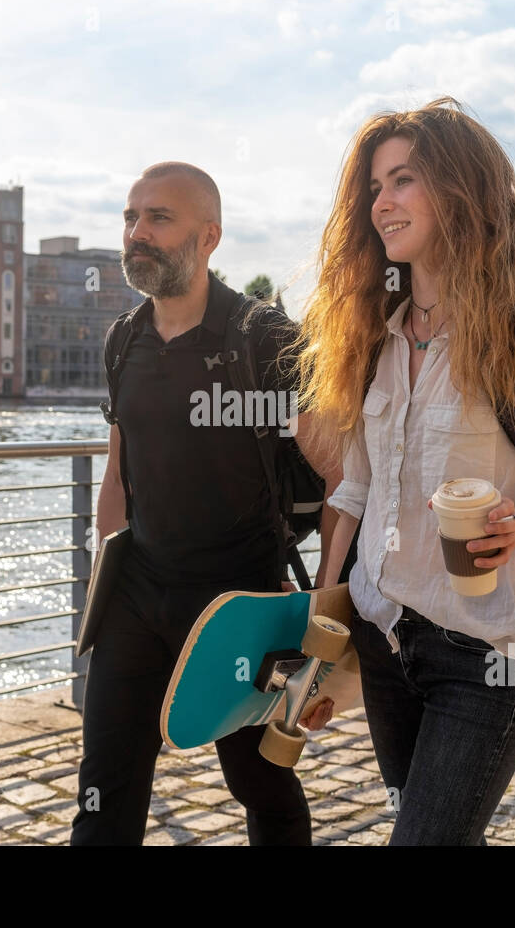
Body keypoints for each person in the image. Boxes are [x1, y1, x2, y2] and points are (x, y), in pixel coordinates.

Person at [292, 98, 515, 845]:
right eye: (375, 186)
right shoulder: (375, 339)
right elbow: (354, 491)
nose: (382, 202)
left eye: (404, 179)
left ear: (461, 191)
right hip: (384, 638)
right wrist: (323, 645)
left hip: (487, 656)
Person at [70, 161, 342, 846]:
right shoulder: (123, 340)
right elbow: (118, 473)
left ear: (209, 236)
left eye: (158, 217)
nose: (137, 232)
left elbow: (344, 476)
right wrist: (102, 586)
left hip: (237, 605)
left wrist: (323, 619)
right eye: (131, 217)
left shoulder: (264, 339)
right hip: (136, 597)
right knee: (103, 796)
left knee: (261, 785)